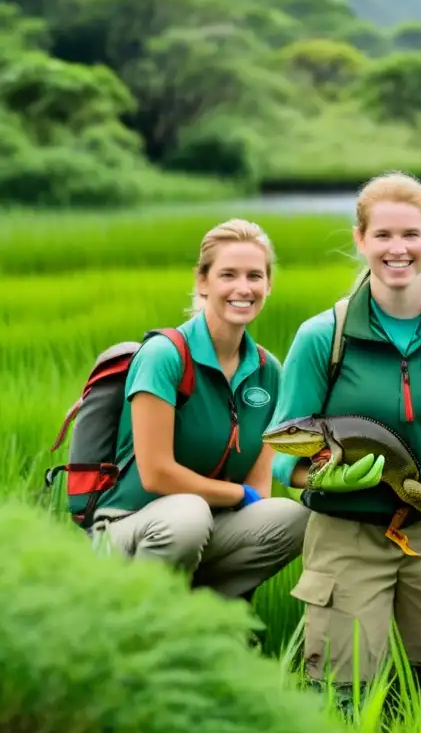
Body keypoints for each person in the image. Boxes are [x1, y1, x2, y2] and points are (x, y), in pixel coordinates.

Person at [270, 171, 421, 702]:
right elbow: (282, 454)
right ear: (360, 240)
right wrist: (327, 479)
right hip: (346, 536)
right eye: (382, 236)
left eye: (410, 235)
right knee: (343, 693)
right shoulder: (322, 336)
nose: (397, 248)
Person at [90, 219, 311, 601]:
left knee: (294, 518)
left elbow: (260, 491)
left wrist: (242, 498)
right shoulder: (165, 356)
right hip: (127, 526)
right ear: (202, 282)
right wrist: (236, 495)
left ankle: (213, 620)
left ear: (268, 285)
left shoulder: (268, 372)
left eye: (254, 276)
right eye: (228, 274)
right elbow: (156, 475)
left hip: (205, 525)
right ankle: (138, 628)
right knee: (188, 515)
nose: (243, 288)